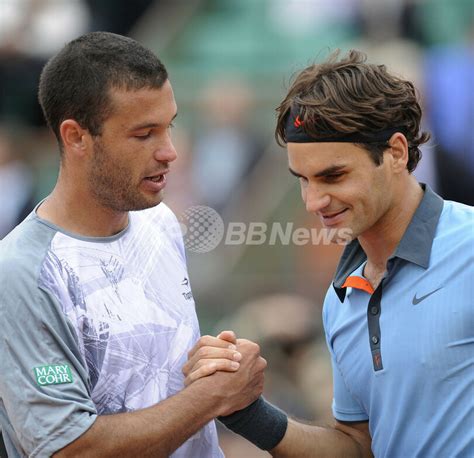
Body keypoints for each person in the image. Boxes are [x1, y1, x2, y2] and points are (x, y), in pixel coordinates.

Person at [183, 50, 474, 457]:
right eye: (302, 180)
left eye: (332, 176)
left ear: (396, 153)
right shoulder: (340, 299)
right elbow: (357, 447)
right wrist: (248, 413)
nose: (314, 201)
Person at [0, 31, 267, 457]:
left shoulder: (159, 221)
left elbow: (161, 381)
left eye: (169, 127)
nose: (170, 152)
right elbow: (69, 448)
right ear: (76, 137)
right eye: (144, 134)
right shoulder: (20, 272)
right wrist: (213, 396)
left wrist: (215, 363)